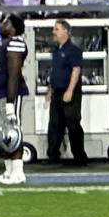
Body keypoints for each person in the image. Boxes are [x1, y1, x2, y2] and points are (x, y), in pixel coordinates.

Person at [0, 15, 30, 184]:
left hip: (10, 93)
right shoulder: (0, 42)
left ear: (14, 28)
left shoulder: (15, 43)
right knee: (2, 133)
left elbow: (14, 74)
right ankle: (8, 171)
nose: (2, 25)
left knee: (13, 131)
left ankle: (18, 172)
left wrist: (10, 102)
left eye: (6, 23)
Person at [44, 18, 87, 167]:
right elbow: (54, 72)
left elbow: (76, 70)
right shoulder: (56, 51)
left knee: (73, 124)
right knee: (55, 125)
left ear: (66, 32)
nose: (53, 32)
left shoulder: (74, 51)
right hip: (56, 92)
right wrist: (50, 89)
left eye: (56, 29)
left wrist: (69, 91)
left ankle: (80, 157)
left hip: (69, 93)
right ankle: (53, 156)